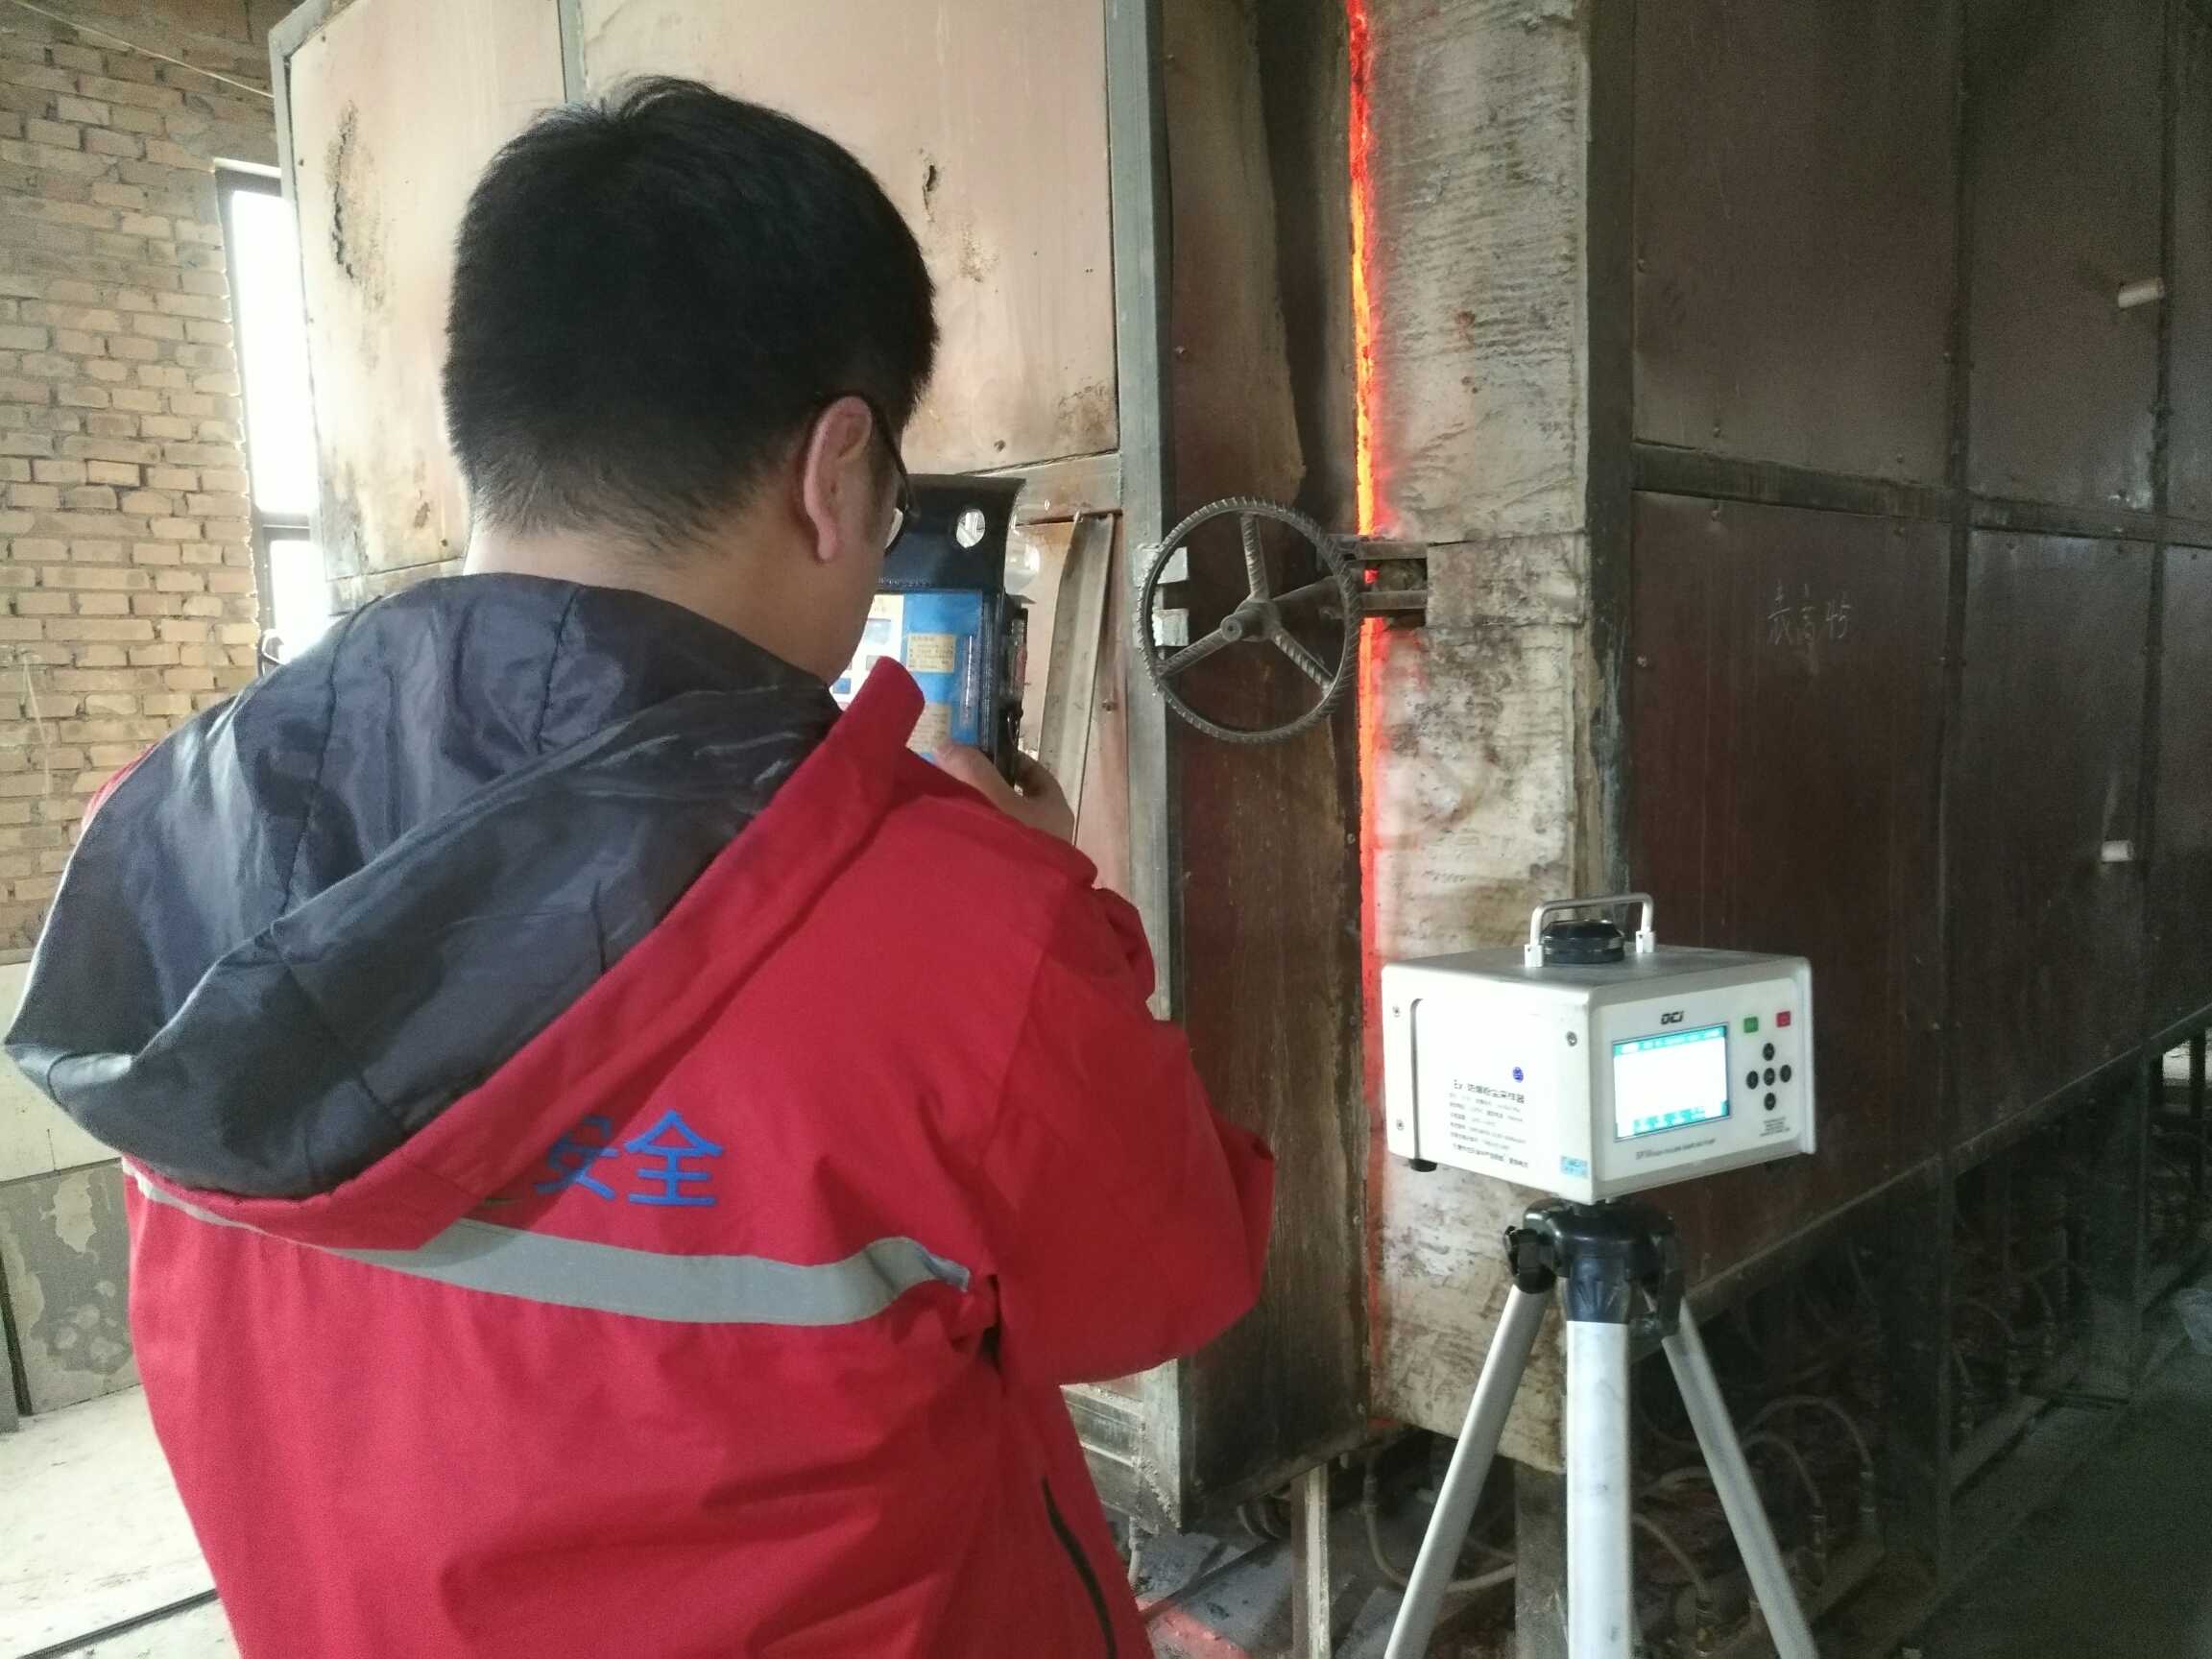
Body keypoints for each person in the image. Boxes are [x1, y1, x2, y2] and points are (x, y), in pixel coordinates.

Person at [8, 80, 1272, 1658]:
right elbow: (1168, 1279)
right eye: (891, 505)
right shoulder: (961, 935)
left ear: (486, 431)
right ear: (835, 471)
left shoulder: (160, 841)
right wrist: (1049, 908)